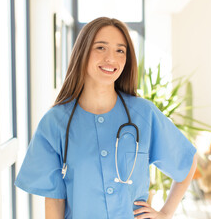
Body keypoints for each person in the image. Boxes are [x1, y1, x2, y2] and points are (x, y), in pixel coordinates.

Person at [14, 17, 197, 219]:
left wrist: (166, 213)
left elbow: (187, 161)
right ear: (82, 52)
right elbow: (55, 199)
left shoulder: (144, 114)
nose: (111, 58)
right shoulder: (55, 122)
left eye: (120, 50)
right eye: (101, 47)